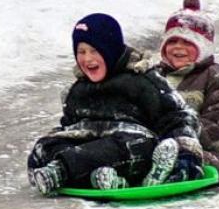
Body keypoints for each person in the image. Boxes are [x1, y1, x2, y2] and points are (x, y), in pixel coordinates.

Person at [27, 13, 204, 196]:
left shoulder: (142, 80)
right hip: (90, 154)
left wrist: (186, 157)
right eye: (81, 52)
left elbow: (177, 117)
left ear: (110, 49)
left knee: (138, 146)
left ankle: (63, 171)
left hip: (128, 151)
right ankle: (107, 180)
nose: (87, 59)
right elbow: (69, 126)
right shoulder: (78, 89)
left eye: (95, 51)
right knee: (43, 148)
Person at [156, 0, 219, 184]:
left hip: (217, 155)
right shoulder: (155, 76)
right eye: (173, 42)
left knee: (183, 153)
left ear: (202, 47)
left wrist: (172, 138)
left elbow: (218, 127)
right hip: (163, 146)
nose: (178, 48)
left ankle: (178, 172)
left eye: (188, 43)